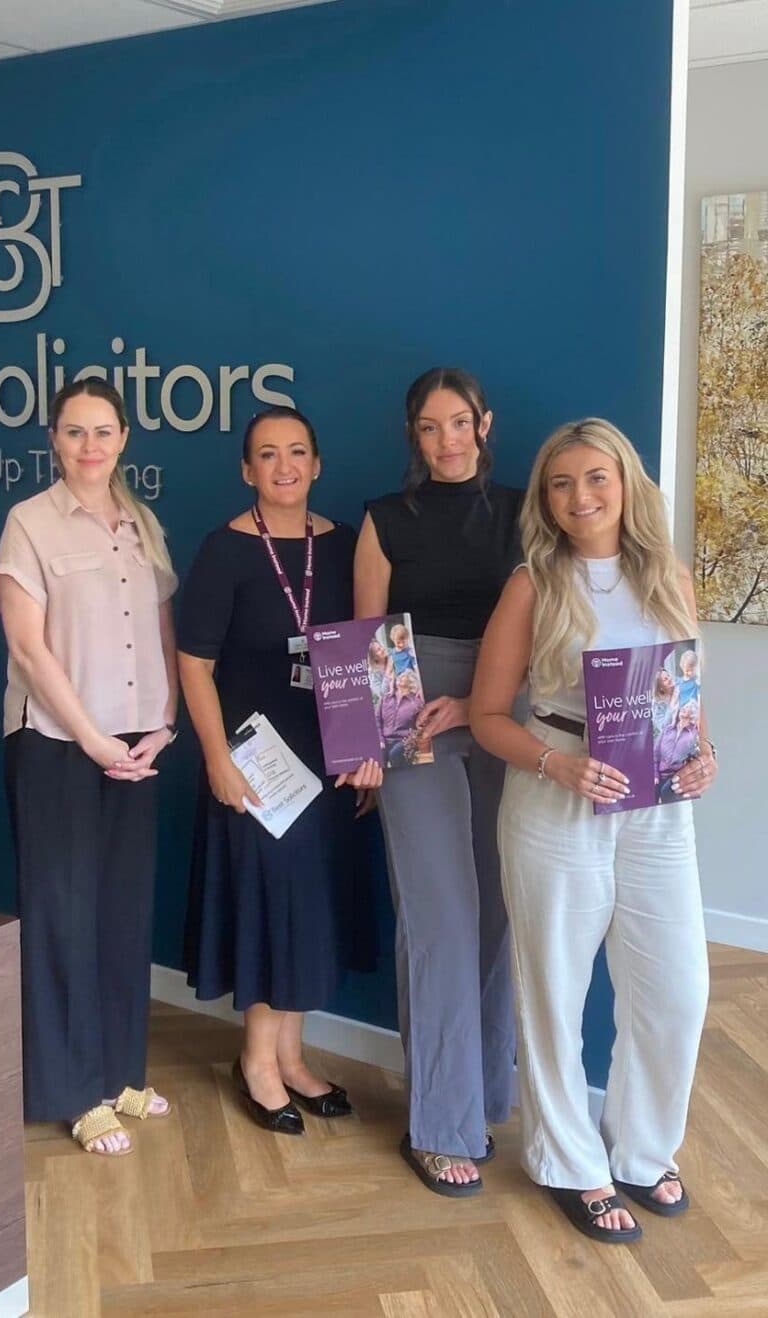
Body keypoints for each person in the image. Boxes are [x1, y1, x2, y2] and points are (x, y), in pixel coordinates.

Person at [470, 417, 716, 1244]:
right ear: (545, 498)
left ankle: (645, 1152)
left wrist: (703, 755)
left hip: (657, 807)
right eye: (562, 483)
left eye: (596, 478)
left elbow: (684, 699)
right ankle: (572, 1164)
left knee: (677, 992)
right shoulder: (532, 585)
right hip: (555, 799)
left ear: (626, 482)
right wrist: (558, 764)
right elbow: (484, 717)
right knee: (553, 990)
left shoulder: (669, 578)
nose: (581, 497)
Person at [0, 379, 179, 1157]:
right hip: (57, 747)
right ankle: (73, 1092)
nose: (90, 446)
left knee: (122, 910)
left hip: (136, 745)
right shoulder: (28, 525)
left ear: (125, 437)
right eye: (75, 432)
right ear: (53, 439)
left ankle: (118, 1072)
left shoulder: (141, 524)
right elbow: (29, 649)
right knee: (63, 914)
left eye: (103, 431)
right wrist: (93, 738)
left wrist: (163, 725)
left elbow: (163, 628)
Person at [179, 406, 380, 1134]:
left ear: (318, 464)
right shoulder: (224, 550)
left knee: (311, 907)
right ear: (247, 469)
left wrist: (368, 753)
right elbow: (193, 666)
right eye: (268, 454)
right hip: (256, 763)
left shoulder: (348, 545)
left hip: (329, 761)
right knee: (269, 907)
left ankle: (293, 1058)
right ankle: (257, 1062)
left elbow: (367, 650)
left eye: (298, 451)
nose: (284, 466)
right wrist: (216, 760)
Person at [354, 366, 523, 1196]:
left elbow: (552, 628)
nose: (447, 440)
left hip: (506, 709)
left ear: (484, 424)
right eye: (430, 427)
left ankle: (486, 1094)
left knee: (498, 916)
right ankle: (439, 1124)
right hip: (410, 720)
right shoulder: (385, 520)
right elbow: (364, 643)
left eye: (460, 423)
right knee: (441, 921)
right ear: (413, 435)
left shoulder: (530, 513)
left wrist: (483, 702)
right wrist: (364, 748)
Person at [378, 669, 424, 767]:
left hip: (403, 741)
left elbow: (420, 728)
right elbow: (377, 721)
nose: (401, 677)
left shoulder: (416, 703)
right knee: (378, 756)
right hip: (384, 740)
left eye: (405, 676)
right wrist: (380, 740)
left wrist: (409, 742)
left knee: (395, 754)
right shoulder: (385, 698)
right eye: (401, 675)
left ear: (410, 682)